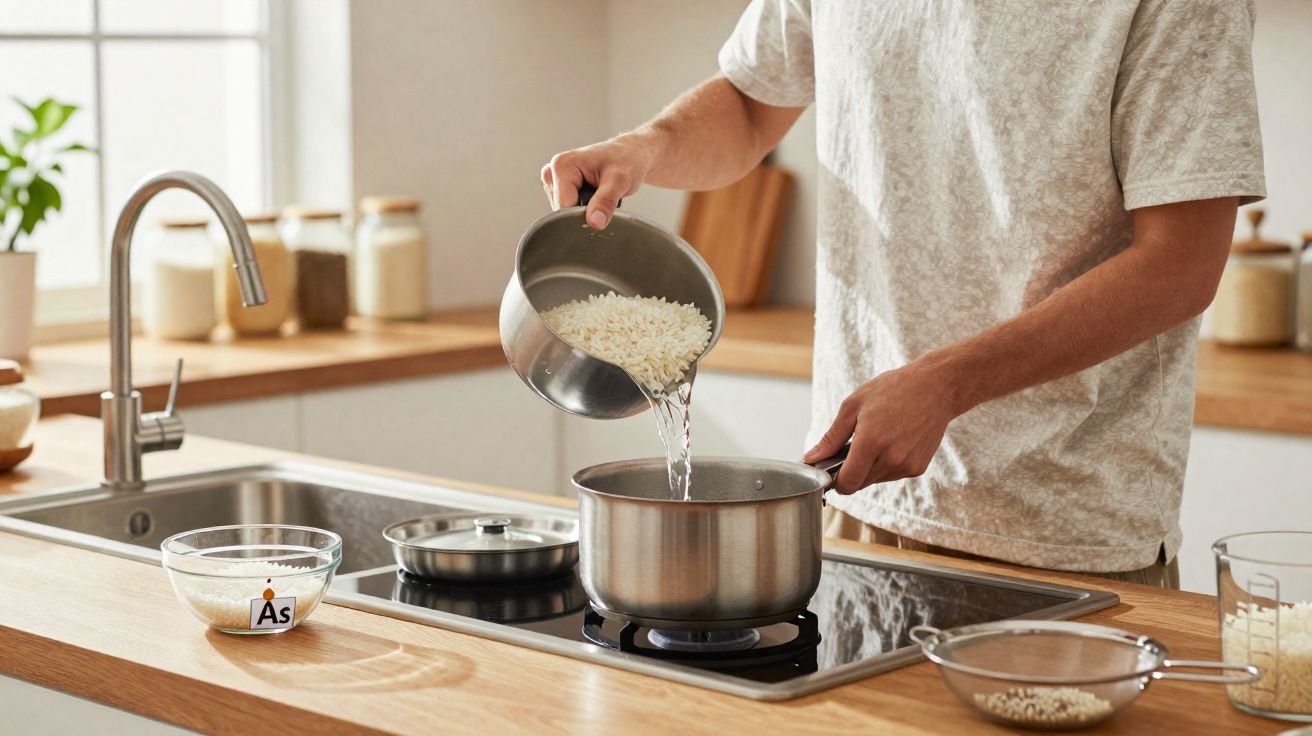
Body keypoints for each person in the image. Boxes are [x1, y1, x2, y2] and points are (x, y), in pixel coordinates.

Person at [539, 1, 1265, 587]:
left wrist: (945, 384)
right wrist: (648, 145)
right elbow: (752, 103)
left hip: (1064, 530)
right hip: (860, 496)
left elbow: (1180, 265)